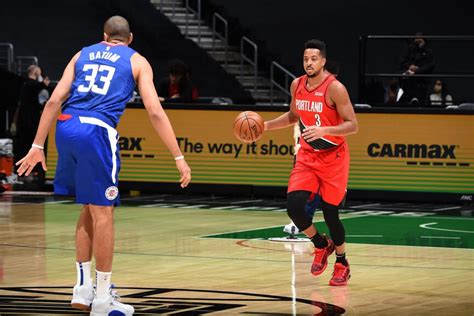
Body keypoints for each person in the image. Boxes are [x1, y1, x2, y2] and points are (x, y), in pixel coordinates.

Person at [15, 16, 191, 315]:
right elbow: (155, 111)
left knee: (88, 206)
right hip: (96, 130)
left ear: (104, 35)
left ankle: (83, 290)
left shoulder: (82, 53)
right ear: (130, 38)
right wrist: (178, 156)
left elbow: (55, 99)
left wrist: (36, 145)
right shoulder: (137, 60)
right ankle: (103, 299)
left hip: (66, 127)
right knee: (104, 214)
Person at [264, 39, 358, 286]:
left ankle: (342, 262)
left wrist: (324, 130)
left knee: (330, 215)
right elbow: (293, 116)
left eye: (314, 59)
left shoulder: (335, 88)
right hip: (307, 156)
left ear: (323, 61)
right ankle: (320, 244)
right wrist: (265, 126)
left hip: (333, 158)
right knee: (294, 208)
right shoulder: (297, 84)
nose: (309, 63)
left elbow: (352, 125)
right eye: (306, 59)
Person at [11, 65, 51, 184]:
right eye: (39, 72)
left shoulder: (24, 85)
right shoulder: (31, 85)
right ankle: (26, 172)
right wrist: (44, 84)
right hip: (30, 122)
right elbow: (41, 88)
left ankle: (23, 172)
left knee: (24, 146)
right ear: (35, 72)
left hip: (23, 122)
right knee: (30, 146)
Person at [399, 32, 435, 104]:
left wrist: (417, 70)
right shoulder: (409, 49)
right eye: (416, 38)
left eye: (420, 39)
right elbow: (402, 61)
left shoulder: (428, 52)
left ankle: (417, 100)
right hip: (409, 75)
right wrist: (410, 66)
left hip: (422, 77)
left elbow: (430, 65)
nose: (418, 40)